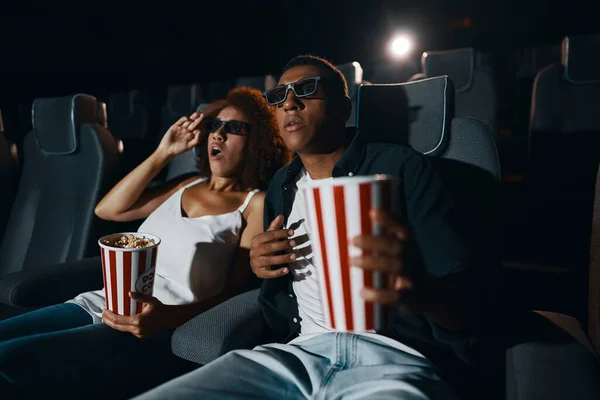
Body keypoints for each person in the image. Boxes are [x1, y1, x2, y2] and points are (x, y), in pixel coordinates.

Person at [133, 55, 500, 400]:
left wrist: (421, 290)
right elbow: (275, 291)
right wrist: (261, 268)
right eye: (279, 96)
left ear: (343, 107)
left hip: (392, 359)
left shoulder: (403, 168)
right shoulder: (282, 183)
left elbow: (472, 306)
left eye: (307, 90)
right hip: (295, 354)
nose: (290, 103)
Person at [0, 86, 291, 399]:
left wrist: (166, 317)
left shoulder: (254, 204)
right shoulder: (186, 183)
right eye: (214, 126)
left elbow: (235, 293)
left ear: (258, 141)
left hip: (153, 326)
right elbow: (109, 209)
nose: (218, 135)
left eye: (233, 128)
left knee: (8, 362)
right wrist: (164, 152)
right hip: (98, 302)